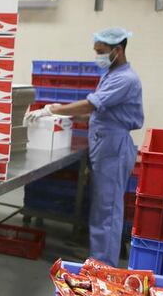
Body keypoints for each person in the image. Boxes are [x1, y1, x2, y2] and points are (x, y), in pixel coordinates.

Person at [26, 27, 143, 266]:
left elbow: (91, 105)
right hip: (105, 145)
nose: (98, 56)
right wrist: (65, 118)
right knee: (101, 208)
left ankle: (104, 266)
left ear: (117, 50)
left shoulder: (125, 79)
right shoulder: (111, 74)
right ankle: (99, 258)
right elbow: (103, 113)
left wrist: (54, 109)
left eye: (101, 52)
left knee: (108, 211)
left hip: (114, 148)